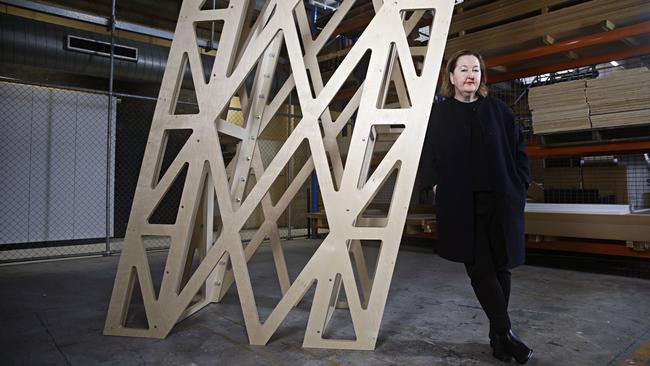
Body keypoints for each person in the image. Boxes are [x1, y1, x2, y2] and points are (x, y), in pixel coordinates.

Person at [420, 49, 533, 364]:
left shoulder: (499, 110)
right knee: (480, 268)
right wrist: (434, 184)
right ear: (452, 77)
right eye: (464, 69)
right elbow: (427, 153)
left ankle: (497, 340)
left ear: (481, 77)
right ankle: (508, 332)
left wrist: (520, 184)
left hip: (500, 200)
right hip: (461, 204)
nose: (471, 75)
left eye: (476, 70)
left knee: (501, 267)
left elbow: (519, 150)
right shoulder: (439, 115)